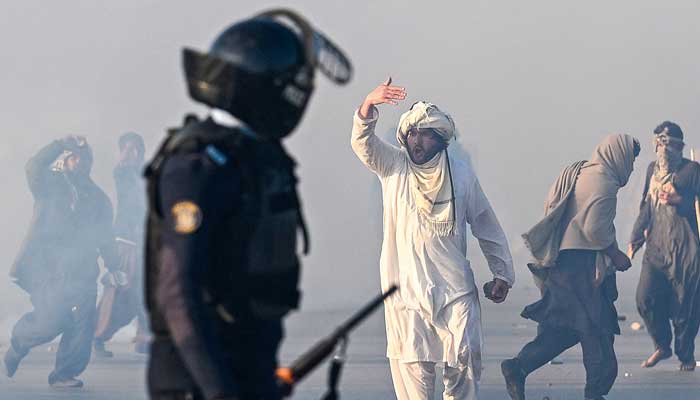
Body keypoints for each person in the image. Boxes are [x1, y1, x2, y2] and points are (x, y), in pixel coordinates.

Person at [143, 9, 352, 400]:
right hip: (197, 381)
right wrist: (219, 390)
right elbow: (178, 293)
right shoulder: (198, 166)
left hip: (247, 367)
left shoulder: (254, 158)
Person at [350, 79, 515, 400]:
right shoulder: (393, 166)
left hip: (455, 291)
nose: (416, 140)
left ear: (441, 139)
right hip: (406, 294)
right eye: (411, 133)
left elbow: (486, 225)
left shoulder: (462, 174)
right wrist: (369, 104)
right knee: (413, 376)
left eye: (425, 133)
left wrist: (503, 274)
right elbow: (363, 144)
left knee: (466, 366)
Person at [502, 134, 640, 400]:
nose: (631, 169)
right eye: (631, 162)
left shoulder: (581, 172)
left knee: (564, 329)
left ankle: (518, 367)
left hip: (563, 266)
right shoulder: (605, 182)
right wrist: (616, 254)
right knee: (597, 330)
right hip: (581, 269)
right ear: (619, 155)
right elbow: (595, 229)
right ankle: (594, 393)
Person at [3, 136, 120, 388]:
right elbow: (32, 166)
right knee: (50, 322)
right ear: (66, 159)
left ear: (90, 163)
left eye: (84, 158)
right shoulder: (48, 184)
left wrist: (115, 266)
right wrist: (59, 144)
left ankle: (64, 374)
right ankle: (19, 343)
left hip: (84, 270)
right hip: (49, 269)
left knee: (82, 324)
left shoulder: (98, 199)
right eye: (73, 157)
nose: (78, 162)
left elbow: (106, 236)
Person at [629, 121, 700, 371]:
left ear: (679, 147)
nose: (662, 149)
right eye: (659, 143)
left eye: (668, 144)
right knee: (644, 297)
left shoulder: (692, 171)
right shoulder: (651, 171)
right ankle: (662, 344)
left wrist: (680, 199)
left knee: (685, 308)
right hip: (656, 249)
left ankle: (685, 354)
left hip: (686, 252)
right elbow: (645, 207)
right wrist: (633, 241)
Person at [94, 132, 150, 357]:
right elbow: (121, 167)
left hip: (145, 241)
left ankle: (145, 338)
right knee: (117, 290)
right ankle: (96, 335)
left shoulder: (146, 173)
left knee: (145, 291)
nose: (133, 153)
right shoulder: (123, 172)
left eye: (137, 148)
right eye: (129, 148)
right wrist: (126, 153)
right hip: (126, 242)